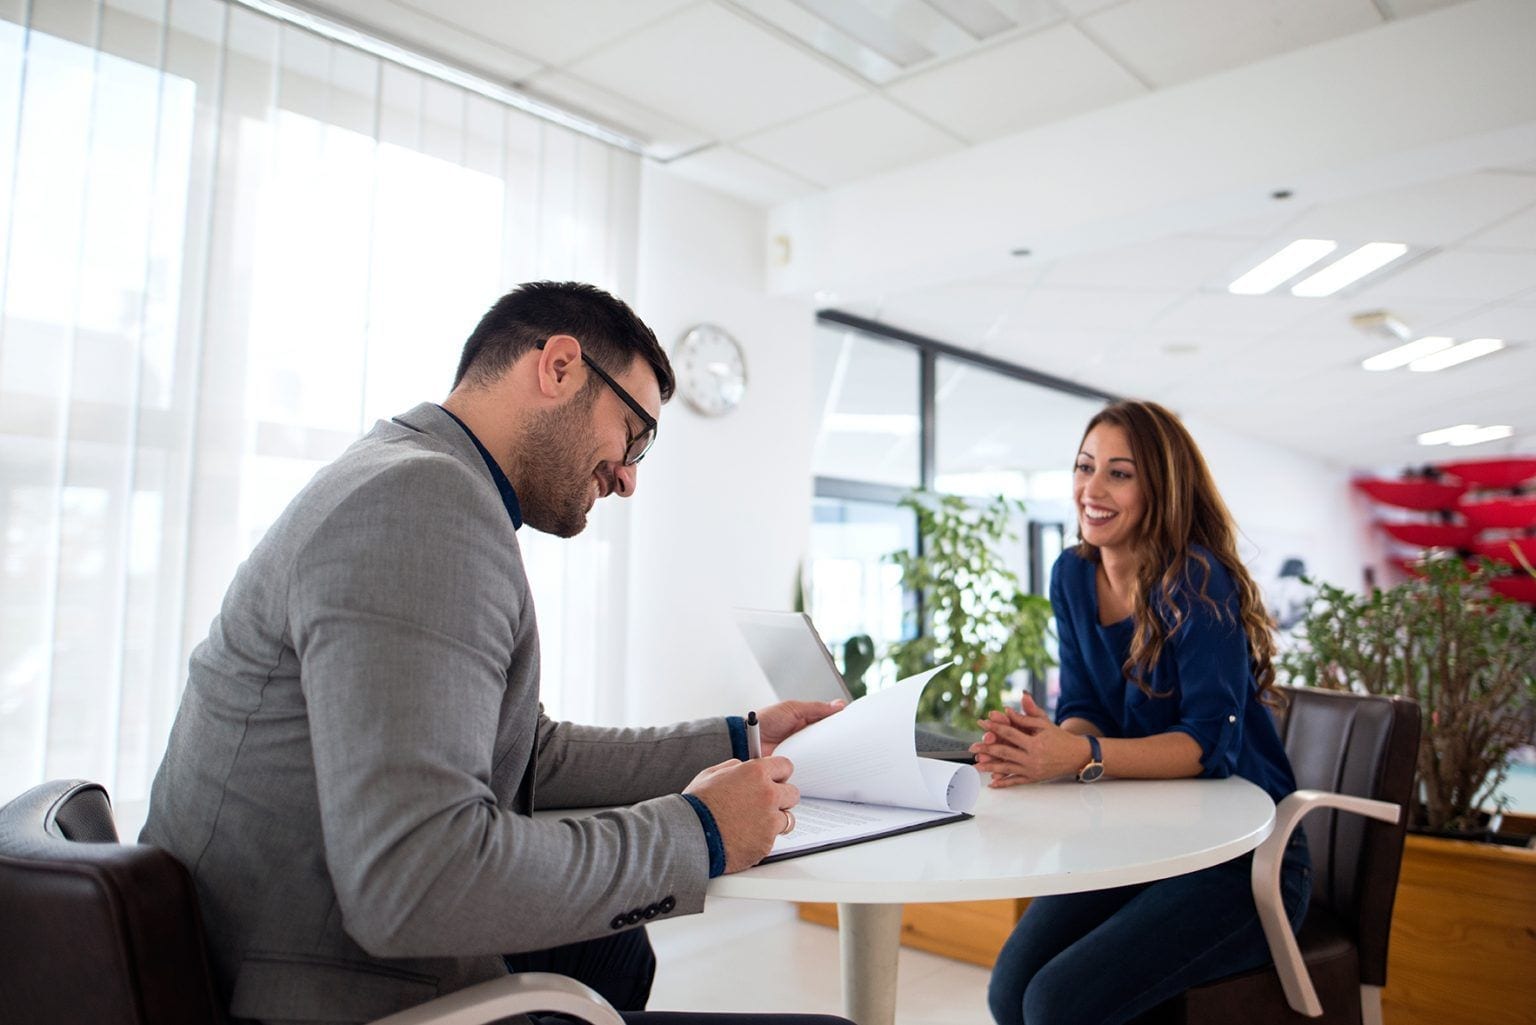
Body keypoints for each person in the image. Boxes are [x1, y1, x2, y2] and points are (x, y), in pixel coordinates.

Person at [141, 281, 849, 1025]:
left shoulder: (409, 473)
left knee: (616, 951)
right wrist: (699, 830)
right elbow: (415, 878)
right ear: (560, 367)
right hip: (318, 985)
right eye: (634, 434)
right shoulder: (421, 504)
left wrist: (743, 739)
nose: (630, 477)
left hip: (271, 937)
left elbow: (527, 750)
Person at [973, 399, 1311, 1025]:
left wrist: (1079, 754)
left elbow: (1211, 746)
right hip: (1141, 840)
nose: (1091, 490)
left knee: (1057, 1004)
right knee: (1009, 990)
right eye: (1084, 466)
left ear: (1160, 487)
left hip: (1242, 859)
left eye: (1119, 473)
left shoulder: (1198, 580)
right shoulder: (1072, 574)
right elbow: (1084, 707)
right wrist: (1046, 745)